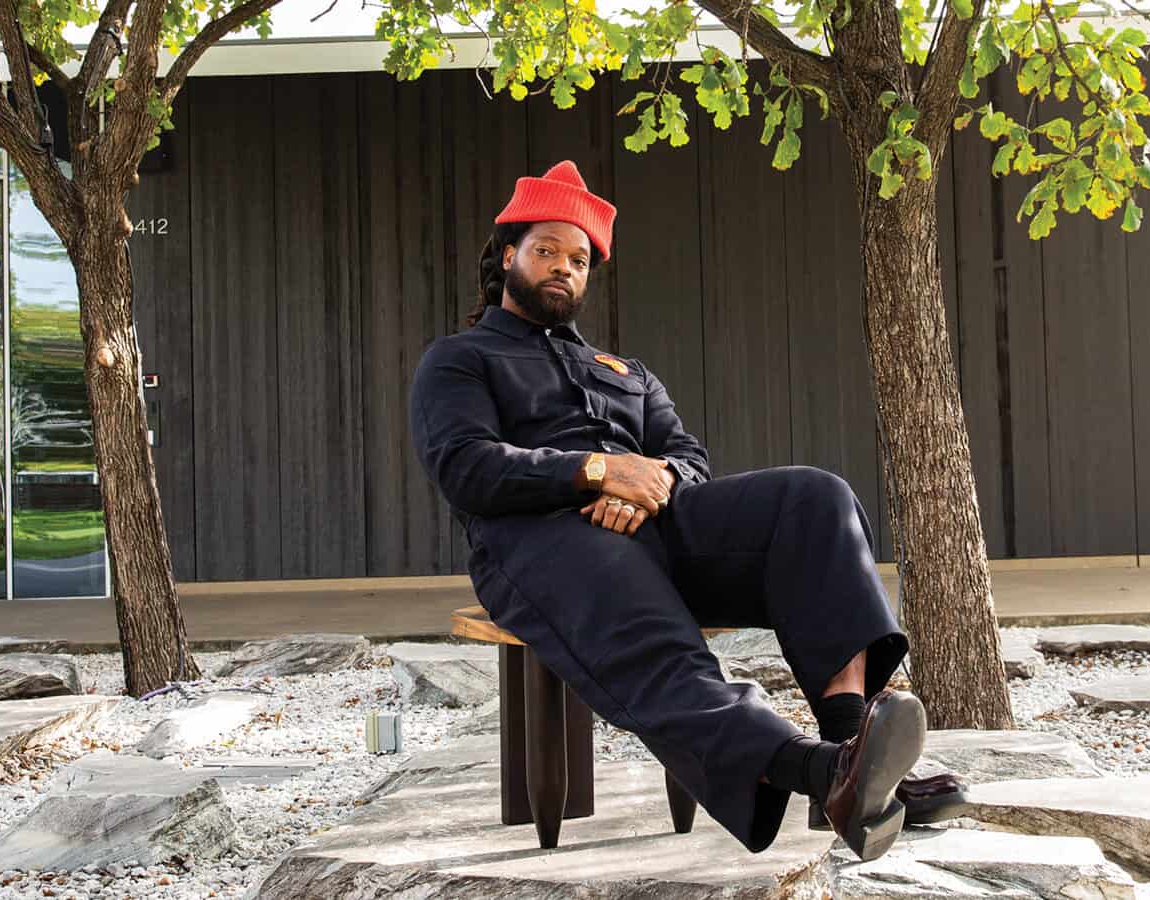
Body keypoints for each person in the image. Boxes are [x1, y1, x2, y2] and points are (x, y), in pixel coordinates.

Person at [409, 160, 963, 861]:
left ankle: (853, 753)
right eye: (546, 250)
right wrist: (601, 471)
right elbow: (466, 468)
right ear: (507, 256)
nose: (563, 268)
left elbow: (687, 457)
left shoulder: (626, 373)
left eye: (578, 260)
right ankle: (822, 775)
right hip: (540, 542)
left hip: (657, 524)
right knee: (651, 637)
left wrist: (654, 484)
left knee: (815, 500)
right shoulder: (459, 360)